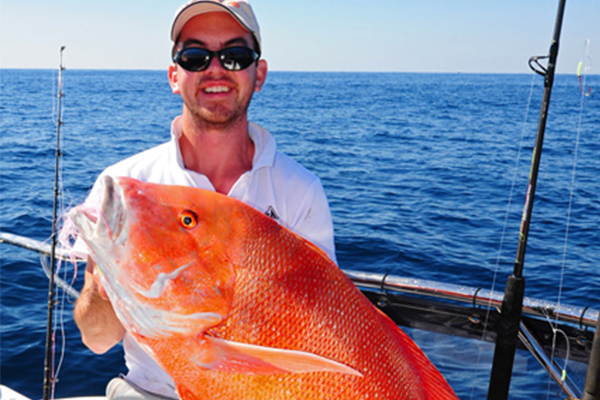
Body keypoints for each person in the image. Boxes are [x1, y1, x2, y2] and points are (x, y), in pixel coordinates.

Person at [72, 1, 337, 399]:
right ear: (174, 76)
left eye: (235, 56)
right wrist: (108, 282)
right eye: (195, 57)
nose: (215, 69)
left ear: (258, 73)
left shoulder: (299, 191)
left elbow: (327, 334)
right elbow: (96, 340)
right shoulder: (127, 187)